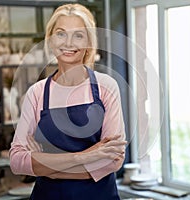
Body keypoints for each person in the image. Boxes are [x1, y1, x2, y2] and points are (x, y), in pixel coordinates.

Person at [9, 3, 127, 200]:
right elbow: (17, 161)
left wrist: (45, 166)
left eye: (78, 35)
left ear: (89, 42)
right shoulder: (37, 93)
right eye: (61, 34)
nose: (68, 43)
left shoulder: (106, 87)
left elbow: (112, 160)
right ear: (50, 40)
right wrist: (85, 156)